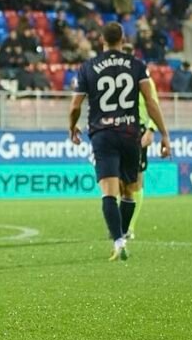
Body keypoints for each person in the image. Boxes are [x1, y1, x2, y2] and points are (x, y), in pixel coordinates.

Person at [69, 22, 171, 262]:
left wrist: (72, 126)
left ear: (101, 40)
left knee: (108, 192)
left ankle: (118, 241)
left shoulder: (88, 67)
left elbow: (75, 106)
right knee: (130, 191)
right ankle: (124, 233)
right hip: (130, 134)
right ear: (122, 39)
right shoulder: (137, 66)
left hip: (103, 134)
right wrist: (164, 134)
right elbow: (151, 101)